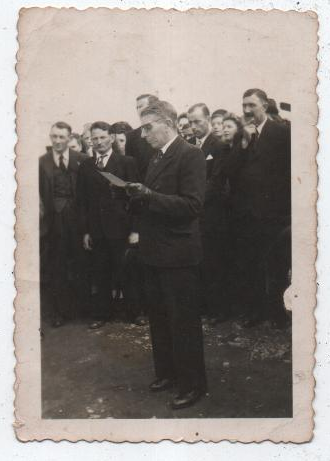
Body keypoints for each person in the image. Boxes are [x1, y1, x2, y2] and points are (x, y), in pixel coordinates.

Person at [126, 100, 207, 410]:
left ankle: (193, 385)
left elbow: (192, 206)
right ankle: (169, 374)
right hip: (155, 251)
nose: (143, 135)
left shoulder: (191, 154)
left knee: (182, 322)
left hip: (178, 255)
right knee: (160, 319)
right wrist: (132, 197)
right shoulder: (156, 157)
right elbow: (155, 201)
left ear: (168, 125)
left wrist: (148, 195)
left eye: (148, 128)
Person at [224, 88, 291, 328]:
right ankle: (256, 312)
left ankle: (277, 314)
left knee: (275, 266)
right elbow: (229, 171)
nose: (247, 110)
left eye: (251, 105)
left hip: (274, 213)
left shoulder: (282, 132)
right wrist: (242, 143)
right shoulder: (243, 134)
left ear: (264, 105)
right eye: (244, 105)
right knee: (251, 264)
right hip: (247, 213)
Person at [77, 121, 139, 329]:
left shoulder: (126, 162)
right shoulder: (86, 166)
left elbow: (136, 200)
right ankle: (102, 314)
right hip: (97, 230)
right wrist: (86, 231)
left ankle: (133, 313)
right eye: (94, 138)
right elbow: (82, 201)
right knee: (101, 271)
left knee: (127, 271)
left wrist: (135, 230)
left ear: (111, 138)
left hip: (121, 228)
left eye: (102, 137)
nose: (99, 142)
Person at [39, 121, 87, 327]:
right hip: (55, 221)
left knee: (81, 262)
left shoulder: (82, 160)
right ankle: (60, 312)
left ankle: (83, 309)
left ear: (69, 138)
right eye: (54, 137)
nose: (57, 141)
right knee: (57, 265)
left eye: (61, 137)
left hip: (78, 220)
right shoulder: (42, 162)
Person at [187, 103, 231, 324]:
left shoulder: (219, 146)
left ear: (208, 119)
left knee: (215, 262)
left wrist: (193, 201)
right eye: (191, 123)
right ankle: (204, 307)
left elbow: (216, 181)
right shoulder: (189, 147)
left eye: (198, 122)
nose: (194, 127)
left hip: (212, 214)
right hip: (195, 216)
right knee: (200, 262)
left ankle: (218, 310)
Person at [125, 94, 159, 181]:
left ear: (153, 107)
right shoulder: (131, 136)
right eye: (137, 108)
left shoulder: (166, 131)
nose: (138, 110)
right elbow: (130, 167)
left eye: (140, 106)